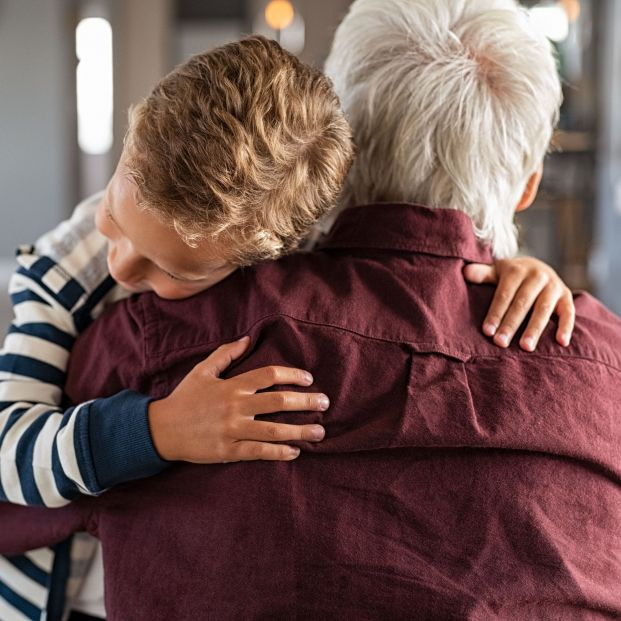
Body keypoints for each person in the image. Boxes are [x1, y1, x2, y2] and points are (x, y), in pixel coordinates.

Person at [3, 0, 619, 618]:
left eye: (174, 270)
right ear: (527, 187)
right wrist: (160, 427)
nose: (120, 268)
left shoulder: (180, 318)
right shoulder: (597, 361)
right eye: (115, 219)